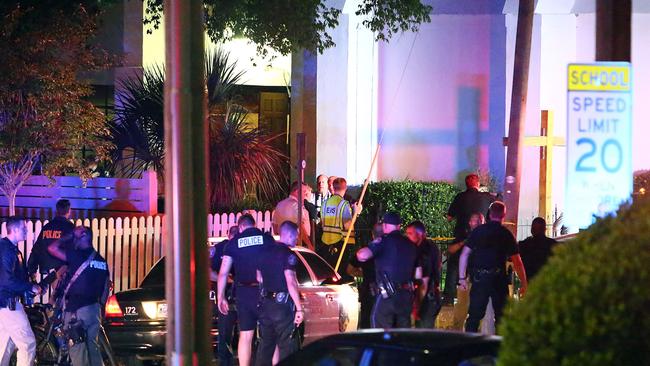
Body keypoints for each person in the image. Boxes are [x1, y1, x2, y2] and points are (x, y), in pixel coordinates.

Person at [458, 201, 527, 333]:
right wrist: (524, 283)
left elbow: (464, 255)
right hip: (498, 279)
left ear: (489, 214)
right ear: (503, 215)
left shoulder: (478, 231)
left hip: (479, 278)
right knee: (502, 317)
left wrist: (462, 279)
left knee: (474, 317)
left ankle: (467, 348)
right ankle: (498, 348)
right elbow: (517, 261)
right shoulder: (506, 234)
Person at [217, 214, 275, 366]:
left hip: (244, 294)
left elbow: (223, 273)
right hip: (265, 292)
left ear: (240, 226)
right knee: (270, 335)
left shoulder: (233, 243)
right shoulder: (267, 239)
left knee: (245, 335)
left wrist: (221, 296)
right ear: (254, 224)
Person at [48, 226, 110, 366]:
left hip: (77, 311)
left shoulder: (77, 256)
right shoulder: (101, 261)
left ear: (83, 236)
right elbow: (106, 287)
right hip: (94, 311)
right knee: (92, 347)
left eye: (75, 236)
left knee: (77, 349)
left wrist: (68, 236)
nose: (73, 240)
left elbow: (52, 248)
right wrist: (101, 308)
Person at [356, 213, 420, 329]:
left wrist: (373, 246)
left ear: (384, 225)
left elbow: (362, 256)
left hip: (387, 297)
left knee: (380, 331)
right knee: (403, 333)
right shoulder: (410, 245)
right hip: (406, 297)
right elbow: (418, 274)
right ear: (399, 226)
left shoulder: (383, 241)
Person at [255, 221, 304, 366]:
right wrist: (299, 308)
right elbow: (291, 281)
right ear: (289, 235)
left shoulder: (264, 252)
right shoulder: (288, 255)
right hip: (282, 308)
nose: (296, 239)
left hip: (265, 305)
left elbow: (259, 277)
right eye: (296, 236)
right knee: (287, 347)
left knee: (265, 347)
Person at [444, 173, 496, 304]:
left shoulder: (460, 197)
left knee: (453, 265)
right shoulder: (486, 197)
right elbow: (499, 203)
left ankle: (449, 298)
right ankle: (477, 296)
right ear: (478, 184)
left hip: (461, 236)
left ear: (466, 185)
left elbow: (449, 218)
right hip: (480, 238)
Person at [0, 217, 41, 366]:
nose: (26, 231)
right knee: (27, 344)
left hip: (5, 305)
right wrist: (29, 287)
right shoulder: (6, 250)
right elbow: (6, 280)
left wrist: (30, 284)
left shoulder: (10, 249)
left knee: (5, 346)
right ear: (15, 229)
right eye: (24, 228)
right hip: (8, 304)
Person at [27, 199, 74, 298]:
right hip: (62, 269)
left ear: (57, 211)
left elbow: (36, 249)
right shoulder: (70, 227)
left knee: (57, 297)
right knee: (63, 299)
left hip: (47, 267)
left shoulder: (47, 227)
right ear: (69, 211)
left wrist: (32, 269)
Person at [450, 213, 487, 331]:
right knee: (462, 305)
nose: (474, 223)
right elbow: (451, 249)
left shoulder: (486, 236)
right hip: (465, 276)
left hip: (479, 276)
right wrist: (463, 243)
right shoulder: (465, 235)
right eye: (472, 220)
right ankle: (457, 331)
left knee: (478, 306)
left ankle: (476, 331)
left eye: (477, 221)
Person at [209, 225, 239, 366]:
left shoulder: (221, 248)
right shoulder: (220, 249)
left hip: (234, 296)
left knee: (227, 335)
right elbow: (208, 271)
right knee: (226, 336)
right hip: (227, 295)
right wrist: (228, 279)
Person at [320, 177, 361, 274]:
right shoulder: (343, 204)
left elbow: (322, 223)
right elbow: (348, 226)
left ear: (333, 187)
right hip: (339, 243)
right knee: (340, 272)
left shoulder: (325, 204)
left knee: (328, 271)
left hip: (326, 242)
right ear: (345, 188)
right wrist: (356, 213)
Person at [405, 220, 441, 328]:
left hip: (427, 300)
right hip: (433, 297)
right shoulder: (432, 246)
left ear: (419, 234)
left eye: (410, 234)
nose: (407, 236)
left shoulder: (424, 252)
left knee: (423, 335)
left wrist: (418, 306)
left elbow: (423, 282)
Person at [346, 223, 381, 329]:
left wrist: (364, 273)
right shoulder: (391, 250)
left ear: (372, 234)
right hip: (387, 295)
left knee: (367, 324)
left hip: (368, 293)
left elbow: (349, 269)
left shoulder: (365, 251)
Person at [272, 182, 314, 250]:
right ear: (297, 192)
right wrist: (309, 244)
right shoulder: (297, 206)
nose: (305, 195)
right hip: (298, 244)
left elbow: (275, 225)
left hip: (283, 243)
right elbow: (301, 226)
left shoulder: (280, 204)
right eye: (304, 192)